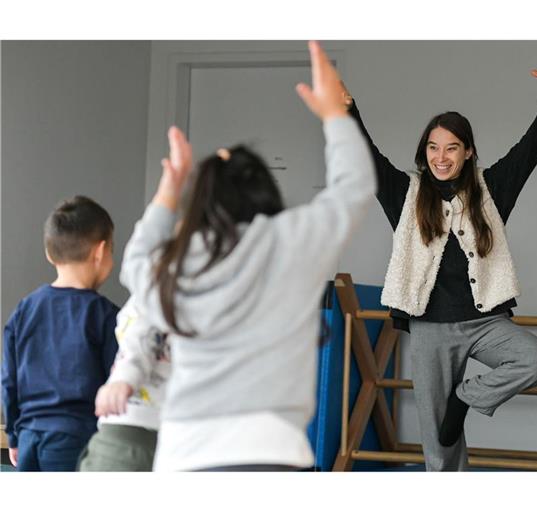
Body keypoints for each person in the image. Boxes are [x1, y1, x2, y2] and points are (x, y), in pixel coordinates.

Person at [119, 40, 376, 471]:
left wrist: (170, 188)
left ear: (200, 201)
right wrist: (335, 114)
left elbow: (135, 262)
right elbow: (354, 188)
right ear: (265, 192)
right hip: (274, 455)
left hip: (186, 457)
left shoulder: (177, 261)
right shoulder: (292, 241)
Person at [343, 46, 537, 471]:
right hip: (431, 328)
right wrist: (348, 113)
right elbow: (367, 160)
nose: (441, 157)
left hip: (483, 322)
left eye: (451, 148)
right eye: (433, 148)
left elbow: (529, 150)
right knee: (440, 450)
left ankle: (465, 399)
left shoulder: (492, 190)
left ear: (468, 152)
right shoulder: (406, 196)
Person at [2, 195, 119, 471]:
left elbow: (9, 378)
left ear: (49, 253)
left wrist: (14, 435)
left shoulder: (25, 309)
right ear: (100, 252)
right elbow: (117, 379)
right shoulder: (106, 315)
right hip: (77, 437)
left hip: (29, 434)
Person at [77, 296, 170, 471]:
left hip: (140, 429)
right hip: (136, 426)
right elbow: (142, 335)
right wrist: (125, 376)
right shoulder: (154, 293)